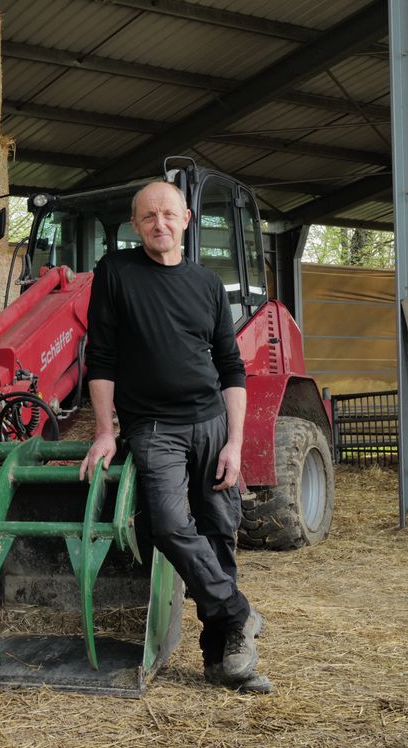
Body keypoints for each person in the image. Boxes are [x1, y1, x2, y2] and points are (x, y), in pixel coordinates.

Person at [78, 181, 270, 694]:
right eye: (147, 217)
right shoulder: (115, 273)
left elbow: (231, 367)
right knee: (166, 523)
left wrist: (234, 442)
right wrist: (104, 430)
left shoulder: (208, 284)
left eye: (167, 215)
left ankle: (225, 662)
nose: (158, 224)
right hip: (153, 427)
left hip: (211, 423)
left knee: (218, 532)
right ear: (135, 225)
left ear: (186, 219)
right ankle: (237, 611)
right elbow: (102, 357)